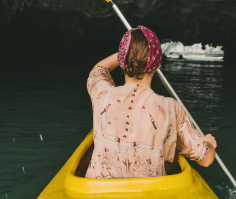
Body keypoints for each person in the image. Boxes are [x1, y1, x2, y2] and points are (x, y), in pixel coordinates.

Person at [85, 25, 217, 179]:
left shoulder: (101, 93)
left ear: (122, 61)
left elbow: (98, 70)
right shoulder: (171, 108)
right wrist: (209, 144)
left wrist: (128, 52)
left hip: (98, 194)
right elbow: (206, 160)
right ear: (158, 65)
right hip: (147, 196)